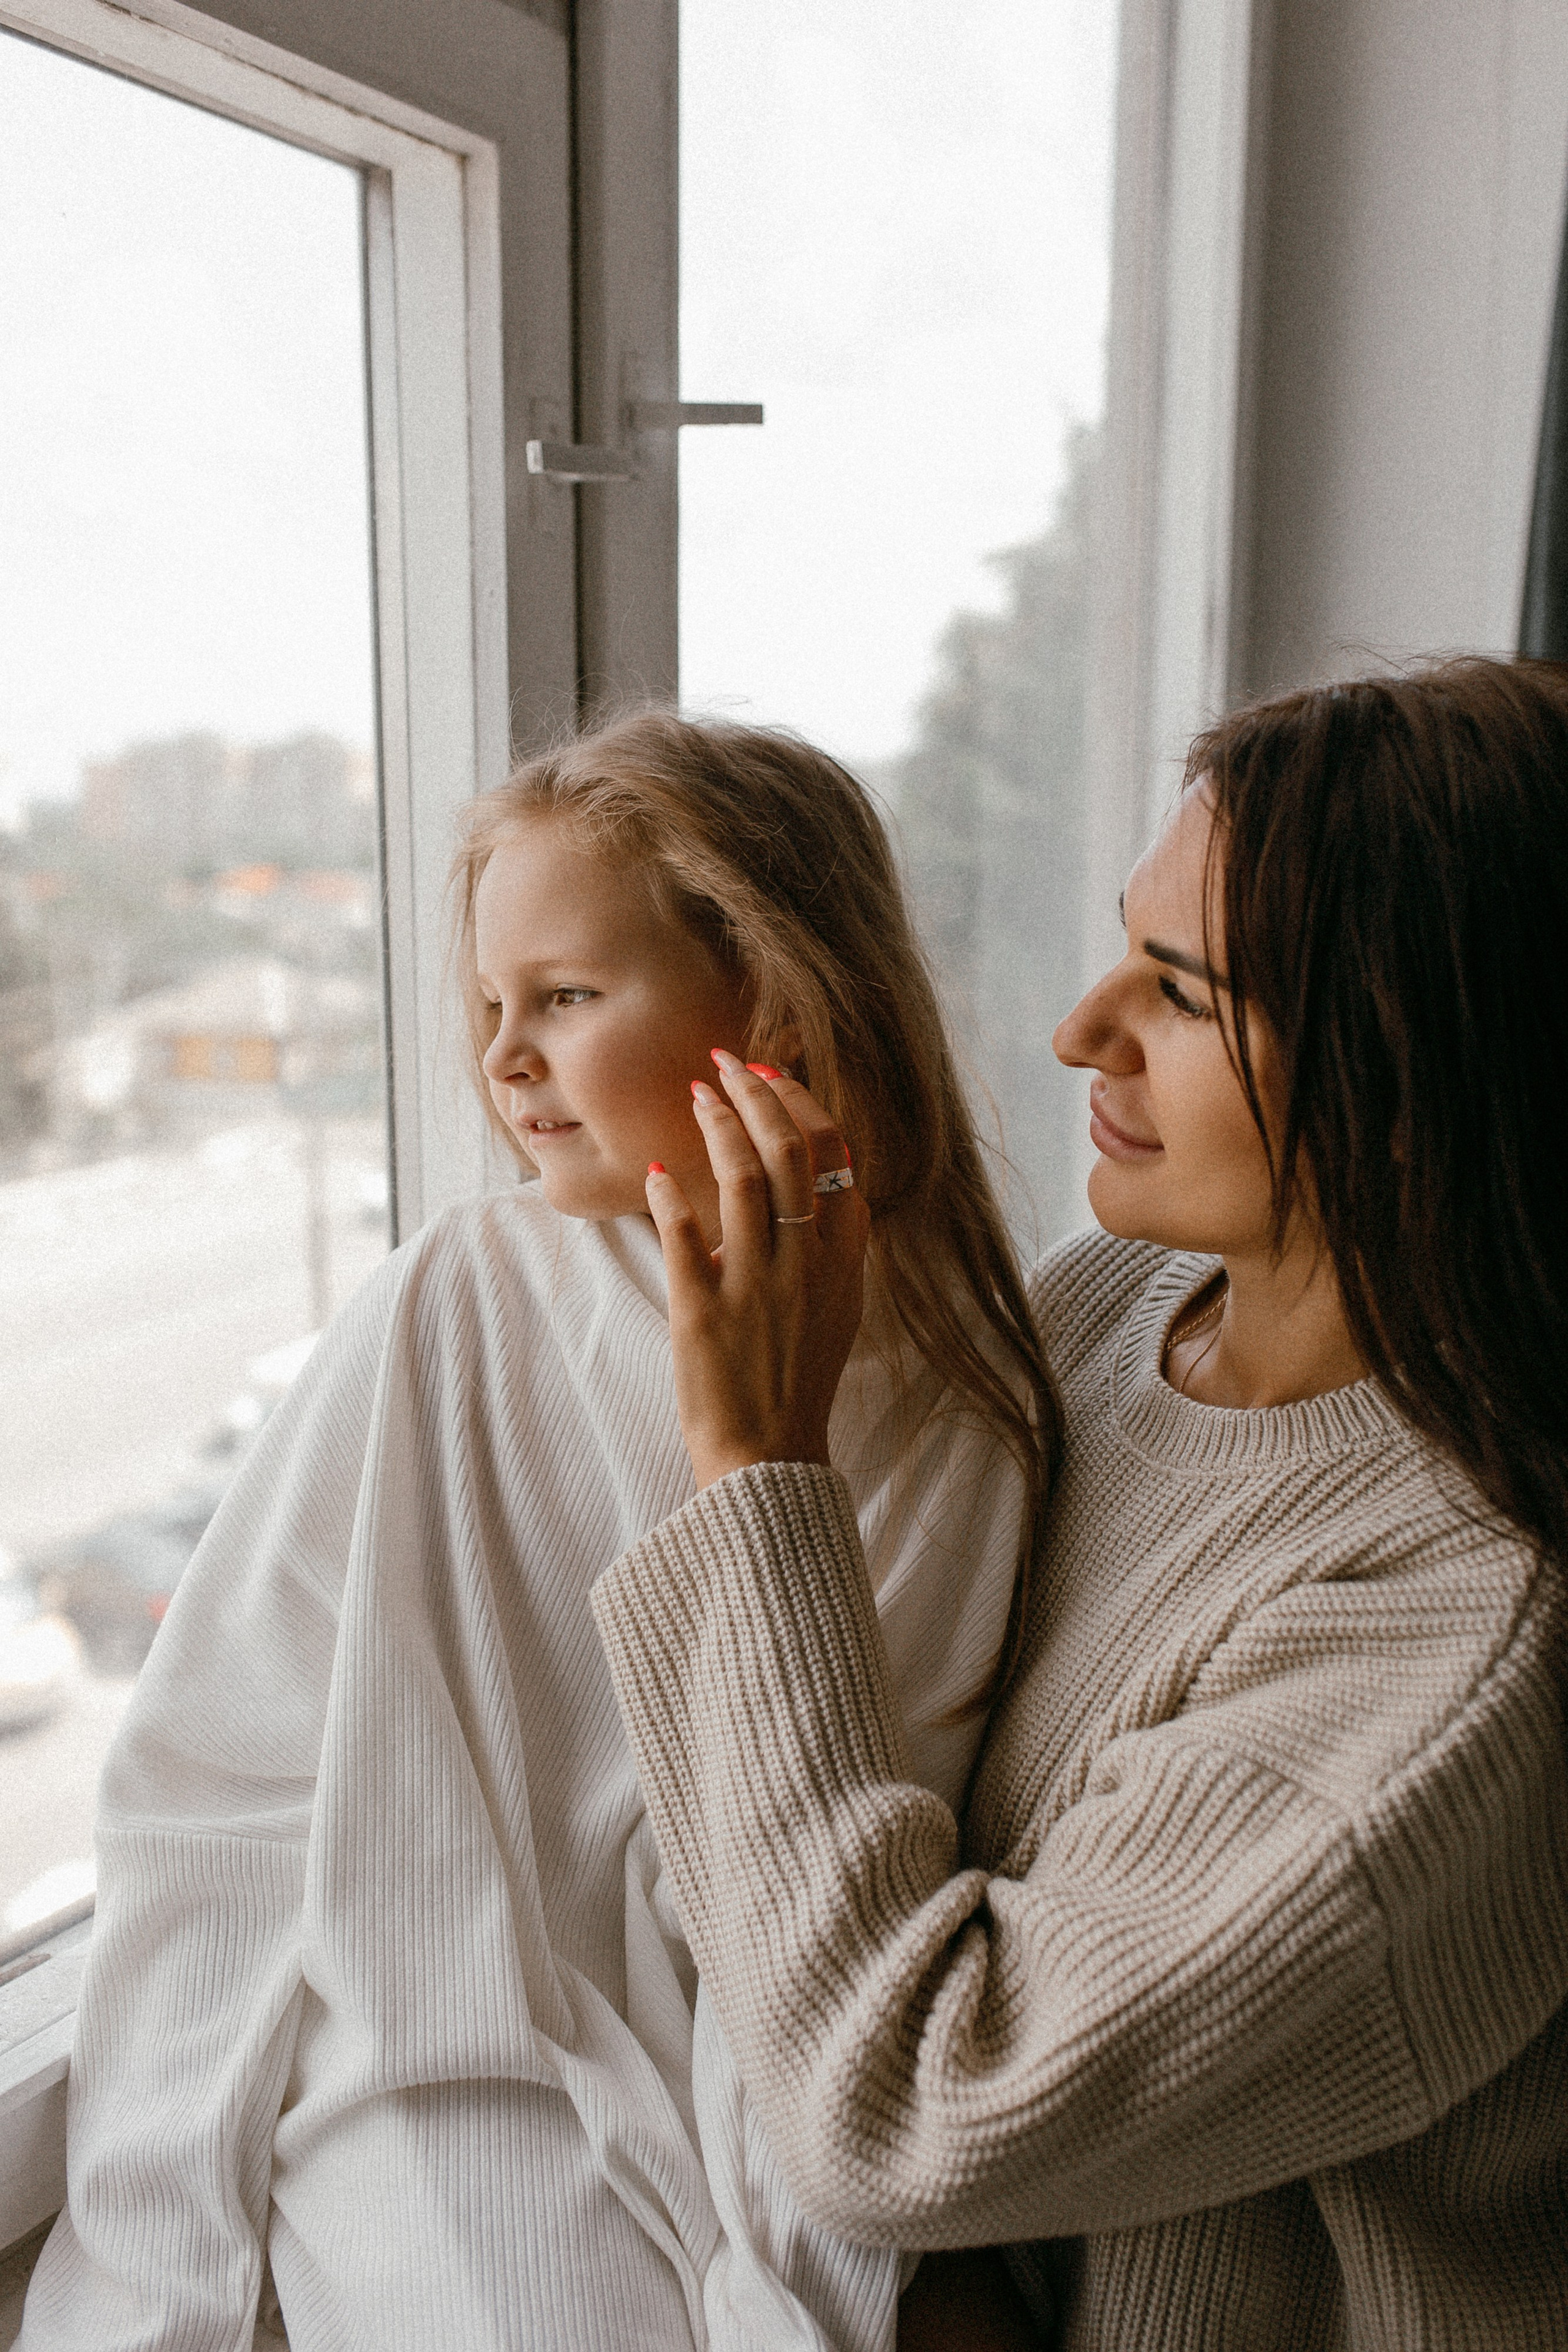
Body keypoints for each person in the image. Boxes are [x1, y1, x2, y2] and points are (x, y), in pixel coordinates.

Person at [19, 715, 1055, 2352]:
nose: (502, 1060)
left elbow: (833, 1891)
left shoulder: (960, 1409)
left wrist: (779, 2299)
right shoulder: (453, 1303)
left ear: (776, 1003)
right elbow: (218, 1798)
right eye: (494, 1006)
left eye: (565, 999)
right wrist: (144, 2297)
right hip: (434, 2107)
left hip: (777, 2114)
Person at [593, 658, 1568, 2349]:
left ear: (1423, 1062)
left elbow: (905, 2121)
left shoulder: (1455, 1638)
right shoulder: (1107, 1315)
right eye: (1126, 940)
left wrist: (763, 1472)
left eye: (1181, 994)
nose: (1078, 1029)